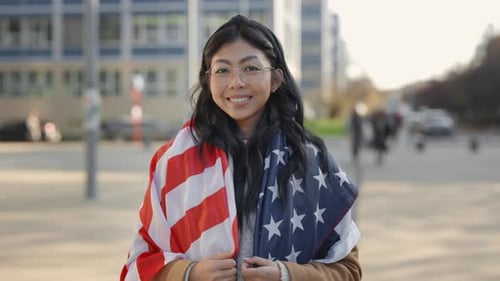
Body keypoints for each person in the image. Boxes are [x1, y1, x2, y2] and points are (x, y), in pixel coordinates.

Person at [120, 15, 361, 281]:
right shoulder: (173, 160)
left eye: (251, 68)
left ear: (276, 79)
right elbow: (140, 263)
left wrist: (287, 275)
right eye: (222, 70)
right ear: (207, 80)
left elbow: (348, 270)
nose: (236, 82)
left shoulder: (312, 160)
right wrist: (189, 273)